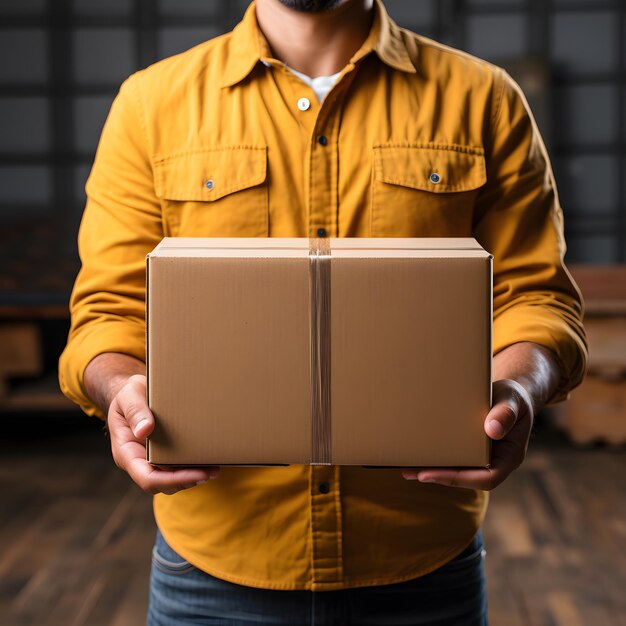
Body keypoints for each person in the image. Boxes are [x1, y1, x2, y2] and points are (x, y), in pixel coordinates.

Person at [58, 0, 588, 624]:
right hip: (209, 568)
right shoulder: (151, 104)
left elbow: (535, 296)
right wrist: (121, 387)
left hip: (422, 563)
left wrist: (520, 390)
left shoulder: (484, 98)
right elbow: (109, 310)